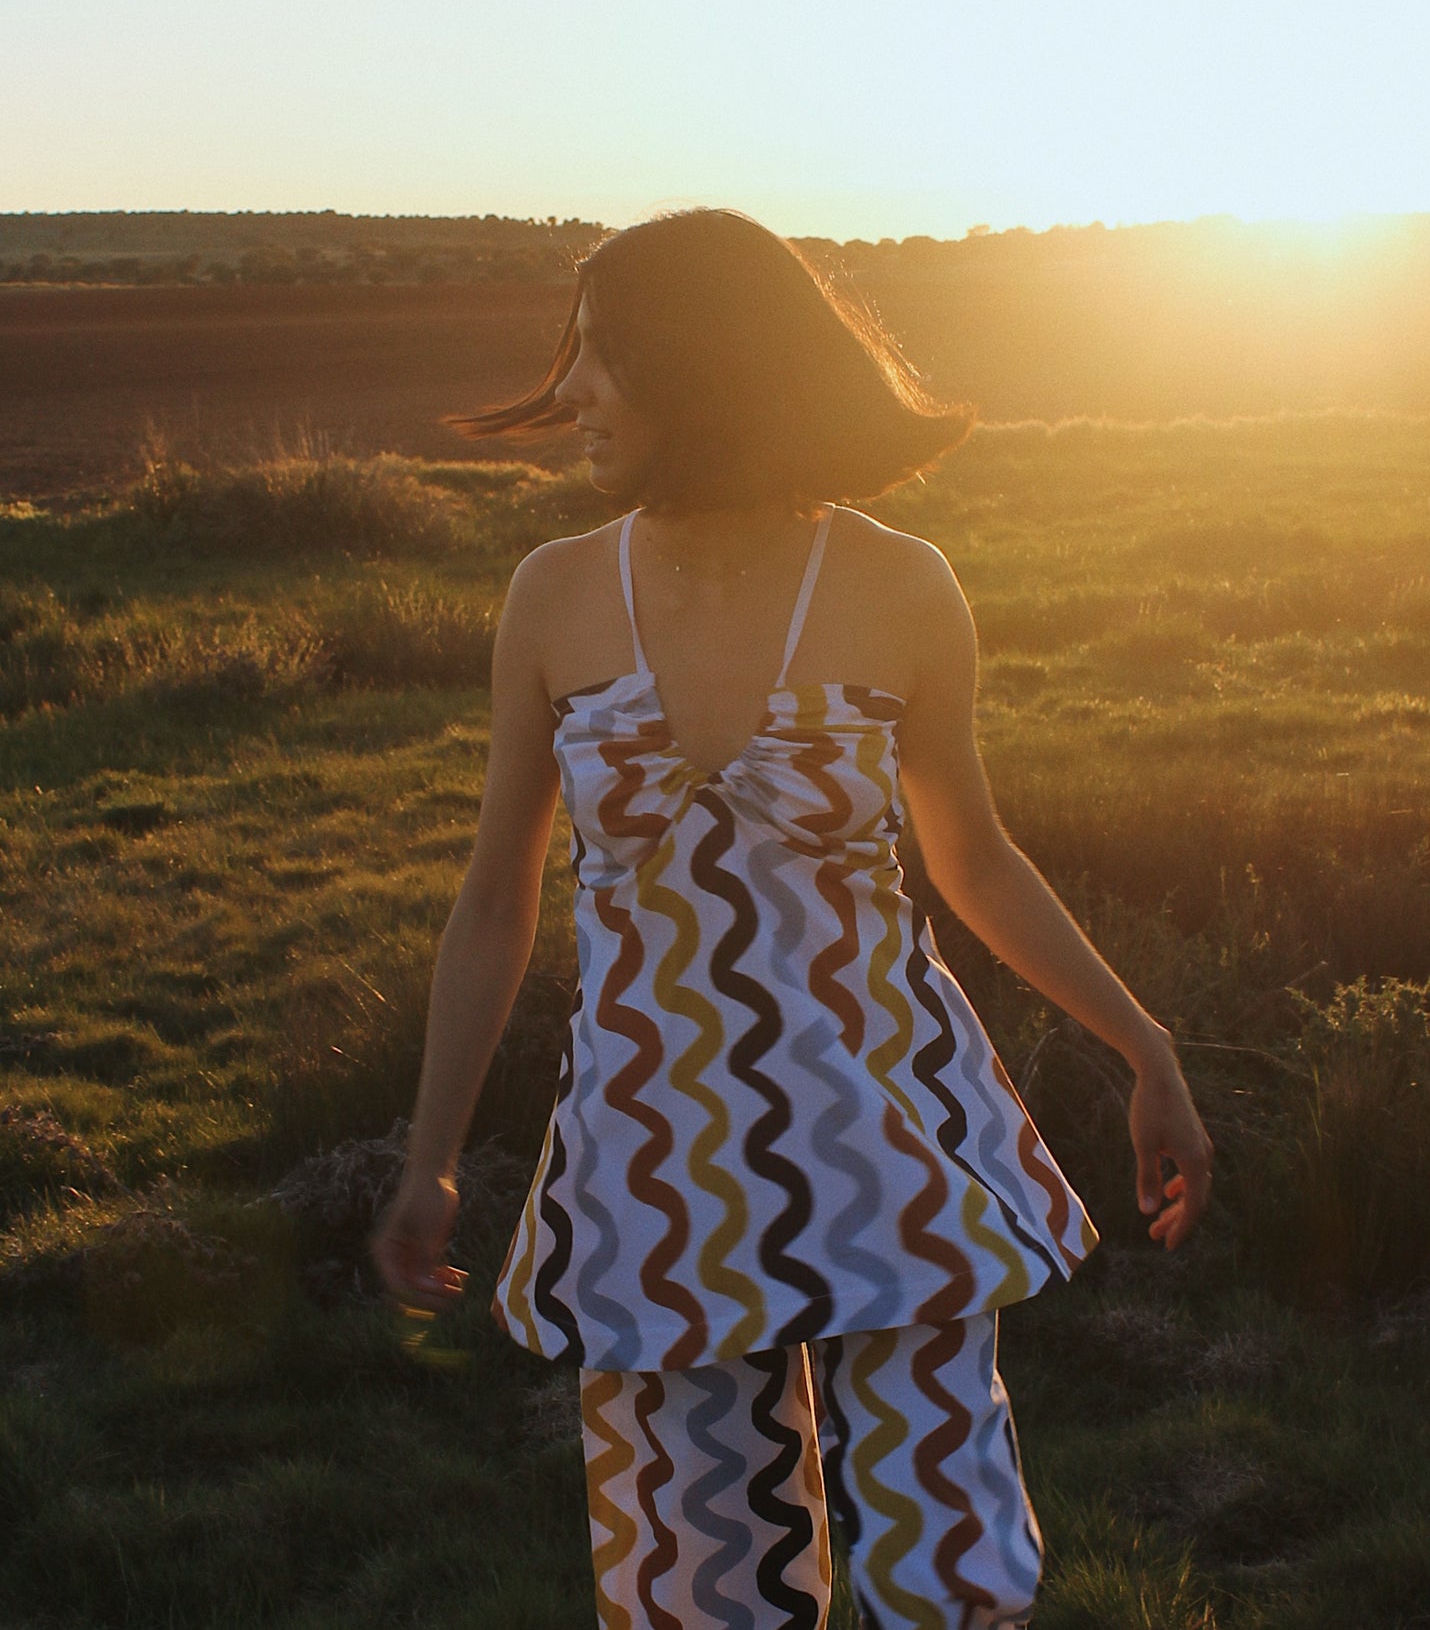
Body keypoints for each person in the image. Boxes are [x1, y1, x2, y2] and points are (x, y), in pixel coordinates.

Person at [371, 209, 1212, 1630]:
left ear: (707, 366)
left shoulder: (899, 584)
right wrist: (430, 1158)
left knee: (951, 1577)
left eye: (602, 356)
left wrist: (1142, 1045)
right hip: (653, 1160)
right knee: (690, 1583)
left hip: (891, 1137)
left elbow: (976, 858)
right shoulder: (555, 595)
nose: (571, 391)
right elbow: (495, 897)